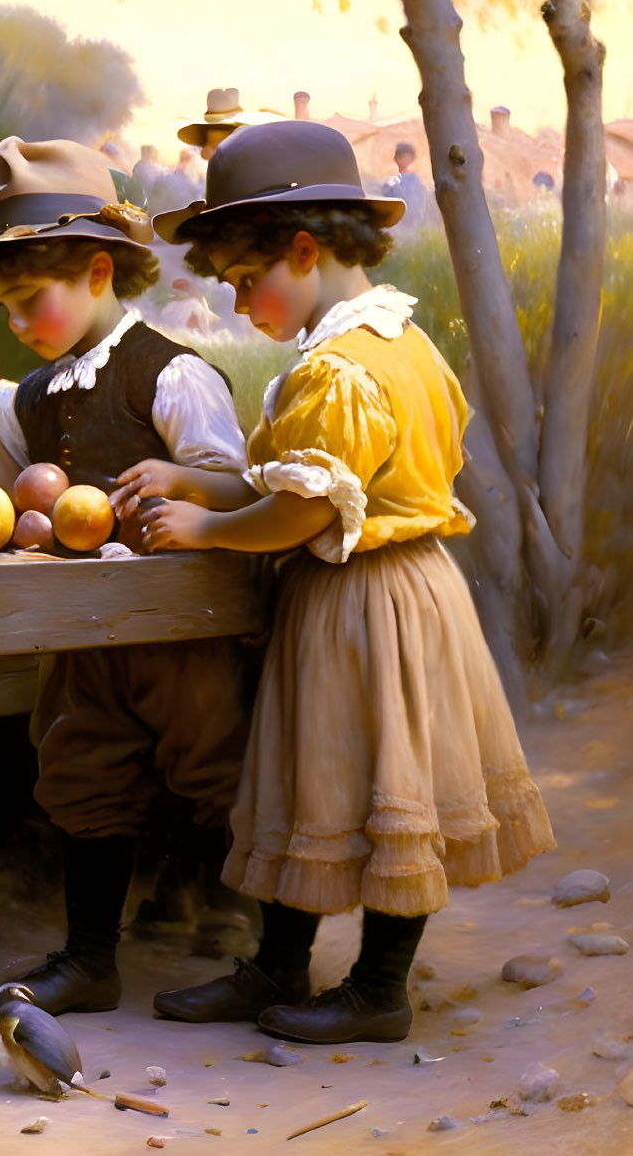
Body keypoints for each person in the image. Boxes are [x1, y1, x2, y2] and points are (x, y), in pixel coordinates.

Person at [128, 120, 555, 1043]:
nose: (242, 308)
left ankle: (378, 991)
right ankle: (277, 967)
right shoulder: (396, 343)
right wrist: (190, 476)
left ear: (305, 250)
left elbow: (306, 512)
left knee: (378, 784)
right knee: (317, 785)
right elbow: (299, 477)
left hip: (369, 601)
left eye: (246, 283)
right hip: (392, 592)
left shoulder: (340, 369)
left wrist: (206, 525)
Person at [0, 137, 258, 1014]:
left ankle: (253, 939)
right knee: (81, 769)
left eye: (31, 300)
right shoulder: (30, 395)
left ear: (100, 270)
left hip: (180, 626)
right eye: (5, 309)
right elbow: (11, 503)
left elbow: (240, 483)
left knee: (213, 766)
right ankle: (89, 958)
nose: (19, 326)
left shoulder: (172, 372)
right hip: (84, 630)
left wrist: (184, 481)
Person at [380, 142, 431, 229]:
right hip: (395, 218)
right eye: (401, 157)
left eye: (408, 157)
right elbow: (386, 196)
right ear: (396, 158)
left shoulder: (414, 179)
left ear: (412, 159)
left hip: (412, 218)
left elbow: (420, 198)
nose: (405, 159)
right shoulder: (391, 180)